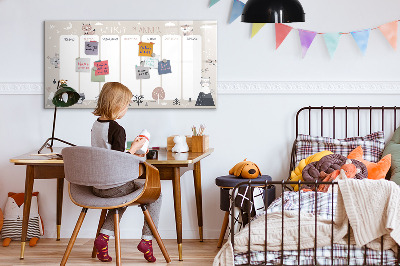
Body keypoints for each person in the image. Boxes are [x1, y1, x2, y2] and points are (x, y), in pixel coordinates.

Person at [91, 82, 161, 263]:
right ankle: (147, 240)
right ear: (117, 104)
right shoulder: (117, 129)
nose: (127, 108)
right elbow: (119, 161)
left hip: (97, 186)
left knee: (121, 197)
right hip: (114, 186)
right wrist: (136, 148)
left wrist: (131, 149)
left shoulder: (96, 125)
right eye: (127, 104)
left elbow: (108, 154)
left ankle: (103, 238)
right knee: (156, 194)